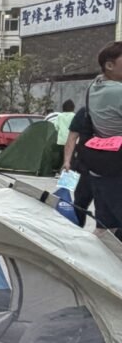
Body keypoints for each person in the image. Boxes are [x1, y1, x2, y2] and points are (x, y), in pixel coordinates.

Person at [80, 42, 122, 236]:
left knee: (105, 227)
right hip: (118, 167)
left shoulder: (94, 86)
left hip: (101, 166)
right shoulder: (117, 91)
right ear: (109, 65)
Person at [63, 106, 95, 228]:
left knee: (81, 204)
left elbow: (72, 138)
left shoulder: (85, 111)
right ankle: (76, 231)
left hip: (110, 168)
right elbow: (72, 138)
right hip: (87, 166)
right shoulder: (85, 112)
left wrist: (67, 161)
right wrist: (67, 161)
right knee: (80, 204)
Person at [52, 99, 76, 169]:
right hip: (72, 141)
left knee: (61, 158)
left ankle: (60, 170)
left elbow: (56, 127)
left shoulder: (59, 116)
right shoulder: (74, 116)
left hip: (61, 141)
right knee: (71, 159)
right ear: (73, 108)